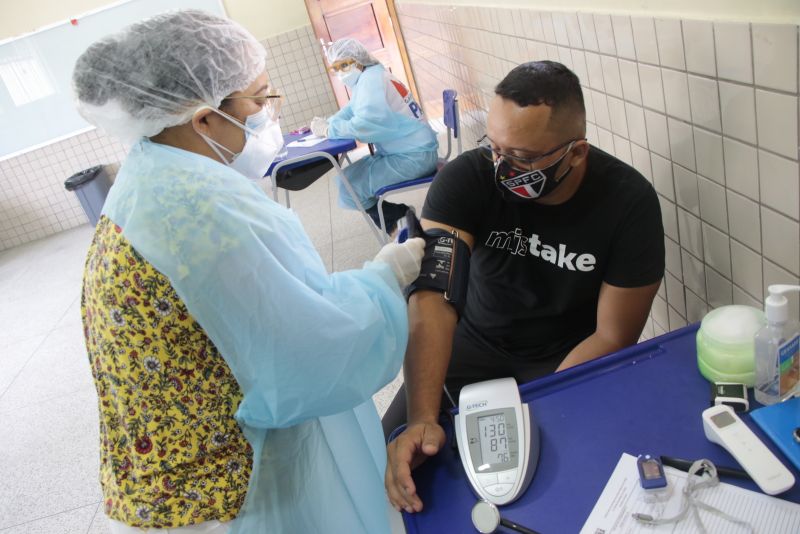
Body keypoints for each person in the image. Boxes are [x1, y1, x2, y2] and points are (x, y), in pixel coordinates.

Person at [73, 10, 425, 534]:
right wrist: (383, 278)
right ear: (203, 118)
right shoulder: (197, 210)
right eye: (259, 101)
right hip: (232, 488)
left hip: (176, 475)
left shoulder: (151, 175)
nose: (269, 113)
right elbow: (310, 353)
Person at [384, 61, 665, 513]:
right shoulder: (468, 178)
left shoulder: (628, 203)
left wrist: (544, 407)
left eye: (524, 158)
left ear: (575, 153)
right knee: (399, 467)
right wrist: (421, 415)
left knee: (563, 493)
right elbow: (433, 295)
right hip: (471, 344)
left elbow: (613, 335)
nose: (501, 167)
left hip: (564, 359)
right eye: (495, 148)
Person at [309, 38, 439, 234]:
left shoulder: (371, 80)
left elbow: (365, 125)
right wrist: (330, 121)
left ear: (358, 60)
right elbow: (352, 110)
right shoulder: (371, 75)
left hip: (413, 158)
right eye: (335, 68)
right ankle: (398, 217)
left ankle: (400, 222)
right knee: (347, 179)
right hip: (411, 152)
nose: (340, 72)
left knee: (351, 188)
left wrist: (329, 130)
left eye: (344, 65)